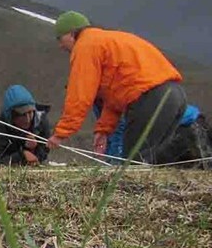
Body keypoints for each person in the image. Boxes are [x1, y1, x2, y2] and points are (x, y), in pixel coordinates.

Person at [48, 11, 187, 164]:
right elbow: (115, 96)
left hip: (151, 99)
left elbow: (80, 96)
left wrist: (61, 133)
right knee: (149, 161)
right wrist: (104, 130)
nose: (60, 46)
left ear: (72, 33)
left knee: (133, 164)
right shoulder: (108, 40)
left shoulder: (86, 46)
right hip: (176, 97)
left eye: (60, 39)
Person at [0, 85, 51, 166]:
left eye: (30, 112)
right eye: (22, 114)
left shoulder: (40, 123)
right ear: (11, 115)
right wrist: (22, 156)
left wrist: (34, 149)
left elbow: (44, 151)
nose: (28, 119)